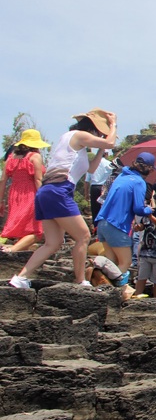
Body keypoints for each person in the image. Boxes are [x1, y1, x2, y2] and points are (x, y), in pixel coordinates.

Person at [10, 108, 117, 289]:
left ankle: (20, 278)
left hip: (48, 191)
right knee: (83, 235)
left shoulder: (73, 142)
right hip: (59, 189)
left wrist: (100, 152)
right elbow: (111, 142)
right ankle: (80, 280)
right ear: (94, 129)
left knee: (53, 242)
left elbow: (91, 169)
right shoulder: (78, 135)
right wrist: (113, 125)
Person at [94, 152, 156, 277]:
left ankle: (103, 290)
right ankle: (113, 292)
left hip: (102, 222)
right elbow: (139, 208)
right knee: (125, 262)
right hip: (116, 225)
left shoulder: (121, 176)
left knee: (111, 262)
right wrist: (150, 210)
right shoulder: (139, 182)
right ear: (149, 169)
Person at [0, 129, 48, 252]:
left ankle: (17, 254)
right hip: (30, 194)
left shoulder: (11, 158)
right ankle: (11, 250)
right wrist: (43, 199)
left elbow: (3, 180)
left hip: (14, 194)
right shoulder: (34, 156)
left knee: (23, 227)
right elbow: (38, 180)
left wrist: (0, 200)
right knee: (37, 230)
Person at [84, 148, 113, 225]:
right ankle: (105, 225)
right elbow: (113, 178)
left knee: (95, 209)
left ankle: (96, 227)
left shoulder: (92, 164)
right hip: (105, 187)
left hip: (94, 188)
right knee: (105, 207)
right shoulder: (109, 164)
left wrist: (86, 193)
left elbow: (87, 181)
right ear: (106, 154)